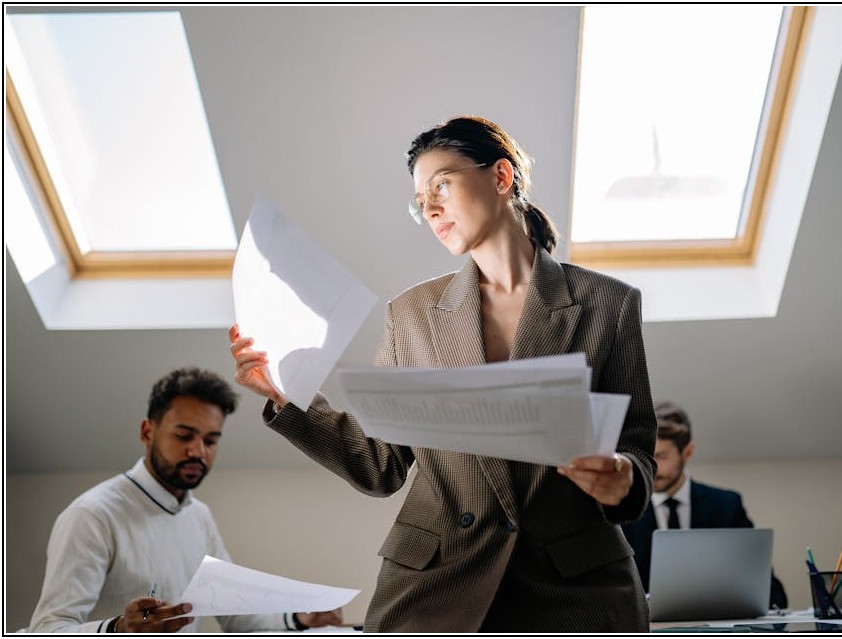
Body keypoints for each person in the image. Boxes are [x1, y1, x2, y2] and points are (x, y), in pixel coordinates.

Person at [229, 115, 658, 632]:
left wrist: (621, 476)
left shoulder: (608, 303)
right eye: (420, 201)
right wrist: (285, 397)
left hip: (571, 585)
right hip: (438, 582)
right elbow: (380, 464)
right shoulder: (411, 313)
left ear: (501, 177)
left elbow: (636, 447)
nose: (429, 209)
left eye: (441, 186)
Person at [28, 367, 343, 633]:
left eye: (210, 440)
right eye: (184, 436)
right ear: (147, 432)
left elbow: (236, 616)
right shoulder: (92, 516)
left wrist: (299, 619)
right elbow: (48, 629)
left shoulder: (199, 516)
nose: (198, 451)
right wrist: (117, 628)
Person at [622, 400, 789, 610]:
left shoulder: (726, 506)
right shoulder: (622, 510)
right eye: (645, 457)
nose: (650, 467)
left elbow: (768, 590)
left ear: (687, 452)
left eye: (661, 456)